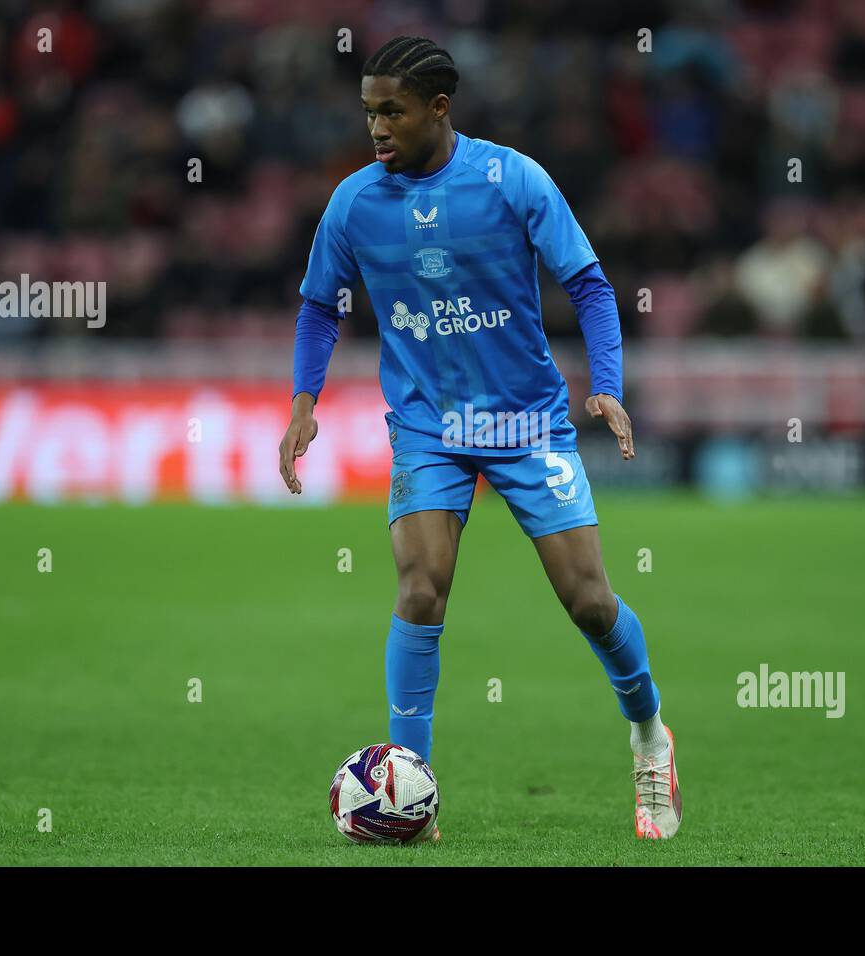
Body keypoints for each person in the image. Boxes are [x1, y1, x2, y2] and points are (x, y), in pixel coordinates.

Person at [280, 37, 680, 840]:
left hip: (526, 421)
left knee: (589, 602)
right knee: (422, 585)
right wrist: (303, 400)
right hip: (429, 424)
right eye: (368, 112)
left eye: (392, 110)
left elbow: (591, 285)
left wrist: (605, 385)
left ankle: (648, 733)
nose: (377, 127)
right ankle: (408, 793)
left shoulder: (512, 179)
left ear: (438, 107)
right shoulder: (354, 203)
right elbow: (322, 304)